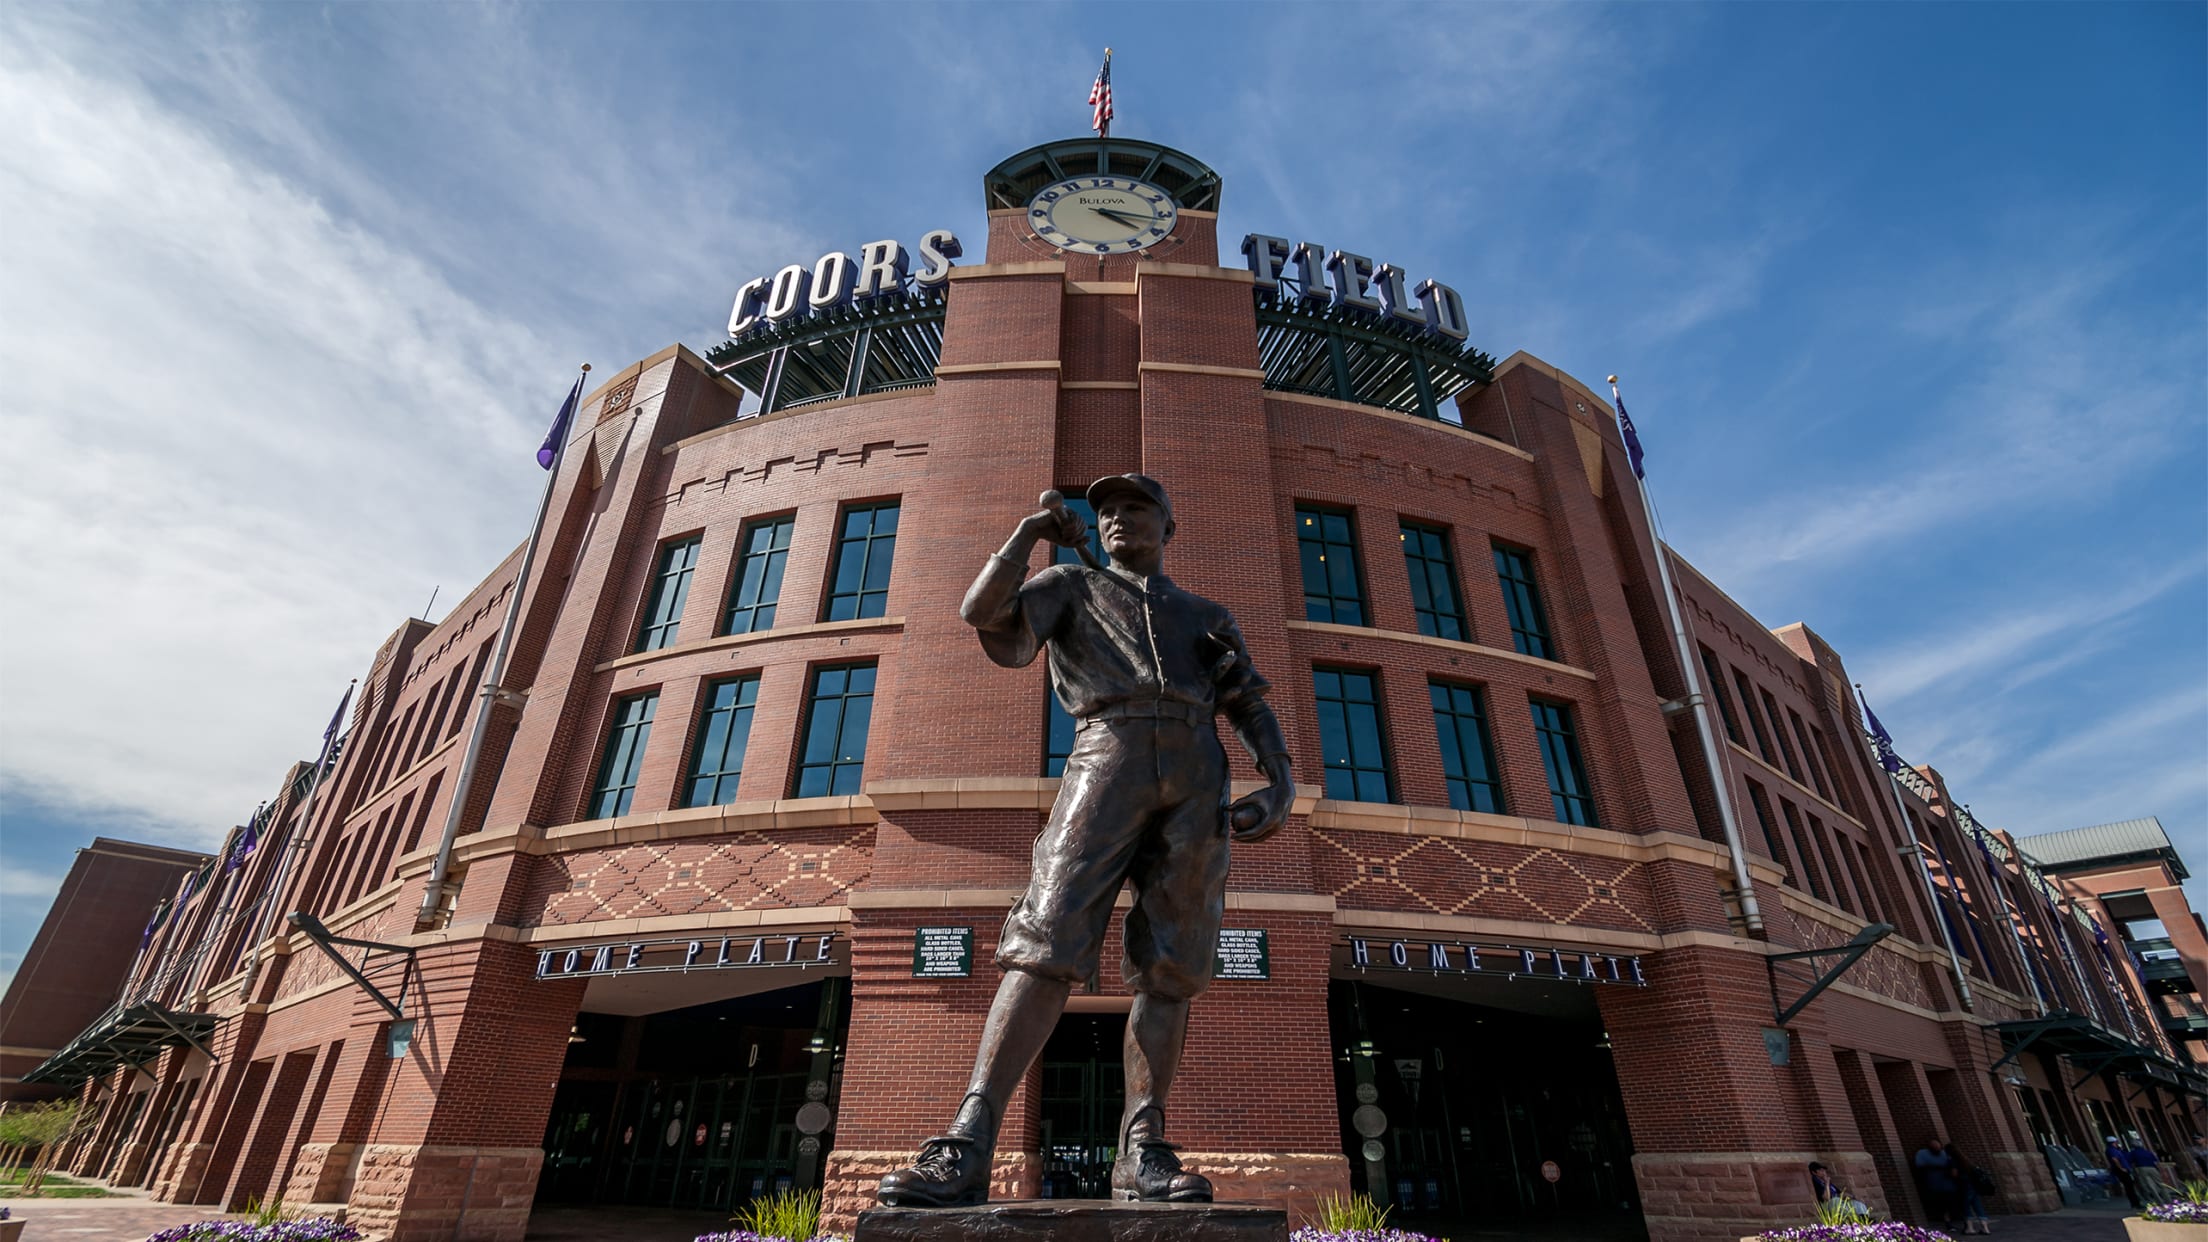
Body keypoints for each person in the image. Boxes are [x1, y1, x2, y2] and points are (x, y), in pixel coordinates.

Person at [876, 475, 1296, 1207]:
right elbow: (982, 613)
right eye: (1105, 512)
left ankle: (1144, 1147)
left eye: (1135, 509)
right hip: (1109, 751)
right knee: (1047, 937)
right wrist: (1027, 536)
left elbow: (1246, 699)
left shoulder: (1204, 613)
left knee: (1174, 964)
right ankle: (971, 1139)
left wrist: (1282, 779)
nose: (1116, 520)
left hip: (1198, 771)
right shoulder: (1068, 582)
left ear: (1168, 524)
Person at [1915, 1139, 1961, 1229]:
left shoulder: (1945, 1154)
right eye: (1934, 1146)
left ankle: (1952, 1219)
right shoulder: (1922, 1154)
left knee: (1950, 1202)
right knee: (1941, 1204)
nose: (1936, 1148)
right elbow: (1919, 1166)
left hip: (1948, 1185)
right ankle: (1947, 1222)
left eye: (1938, 1146)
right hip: (1935, 1185)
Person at [1949, 1146, 1994, 1234]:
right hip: (1974, 1185)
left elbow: (1954, 1174)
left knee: (1966, 1206)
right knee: (1978, 1205)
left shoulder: (1953, 1161)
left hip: (1964, 1186)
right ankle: (1985, 1228)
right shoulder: (1966, 1160)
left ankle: (1970, 1228)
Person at [2104, 1136, 2144, 1210]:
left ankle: (2135, 1202)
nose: (2117, 1144)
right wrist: (2121, 1168)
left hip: (2123, 1169)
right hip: (2121, 1171)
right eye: (2116, 1142)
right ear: (2113, 1143)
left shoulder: (2114, 1150)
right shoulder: (2111, 1150)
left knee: (2130, 1186)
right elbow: (2115, 1159)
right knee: (2129, 1186)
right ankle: (2135, 1203)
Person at [2128, 1137, 2169, 1204]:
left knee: (2150, 1186)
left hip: (2142, 1168)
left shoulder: (2133, 1153)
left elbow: (2131, 1162)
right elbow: (2156, 1162)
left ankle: (2160, 1202)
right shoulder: (2148, 1152)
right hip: (2152, 1168)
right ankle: (2168, 1200)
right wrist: (2162, 1170)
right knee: (2160, 1184)